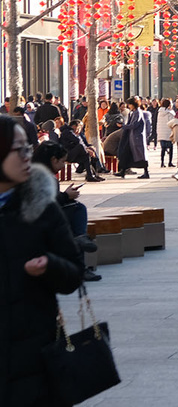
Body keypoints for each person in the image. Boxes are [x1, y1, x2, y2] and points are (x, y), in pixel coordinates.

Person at [0, 116, 85, 403]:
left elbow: (74, 271)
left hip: (33, 356)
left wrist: (49, 265)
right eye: (19, 149)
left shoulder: (42, 207)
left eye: (28, 148)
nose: (28, 157)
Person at [32, 141, 101, 282]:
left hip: (45, 217)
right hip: (40, 220)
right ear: (53, 160)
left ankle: (80, 241)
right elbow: (44, 201)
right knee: (77, 211)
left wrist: (65, 196)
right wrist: (65, 196)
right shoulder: (39, 176)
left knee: (75, 216)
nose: (64, 165)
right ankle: (80, 253)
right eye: (62, 161)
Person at [118, 98, 151, 180]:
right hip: (132, 137)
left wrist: (124, 126)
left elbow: (134, 124)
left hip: (137, 138)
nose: (128, 106)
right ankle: (123, 171)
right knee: (128, 154)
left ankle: (146, 172)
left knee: (140, 155)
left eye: (130, 104)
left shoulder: (138, 113)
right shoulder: (133, 113)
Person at [156, 99, 175, 168]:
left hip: (161, 132)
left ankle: (162, 162)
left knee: (163, 148)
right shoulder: (170, 113)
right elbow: (172, 122)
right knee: (171, 148)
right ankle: (170, 162)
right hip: (169, 132)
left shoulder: (159, 112)